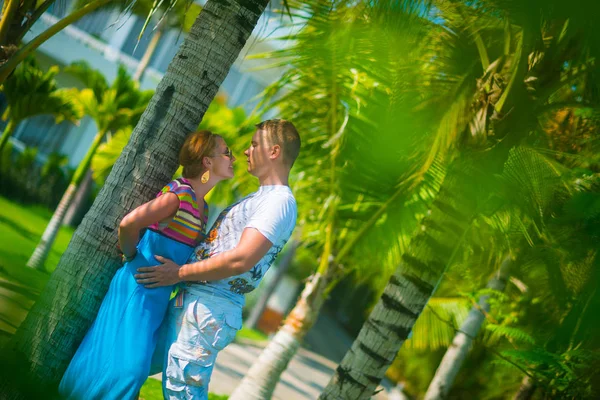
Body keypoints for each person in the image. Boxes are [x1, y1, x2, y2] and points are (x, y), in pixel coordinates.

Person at [59, 130, 236, 400]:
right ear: (207, 162)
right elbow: (129, 224)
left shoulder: (202, 209)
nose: (232, 157)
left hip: (158, 297)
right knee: (129, 369)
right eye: (226, 152)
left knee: (133, 365)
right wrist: (133, 258)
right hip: (137, 289)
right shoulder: (179, 196)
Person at [135, 119, 300, 399]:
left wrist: (179, 273)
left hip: (210, 306)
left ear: (273, 152)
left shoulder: (279, 201)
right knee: (139, 368)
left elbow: (242, 259)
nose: (246, 151)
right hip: (198, 298)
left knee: (183, 391)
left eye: (253, 144)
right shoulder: (261, 197)